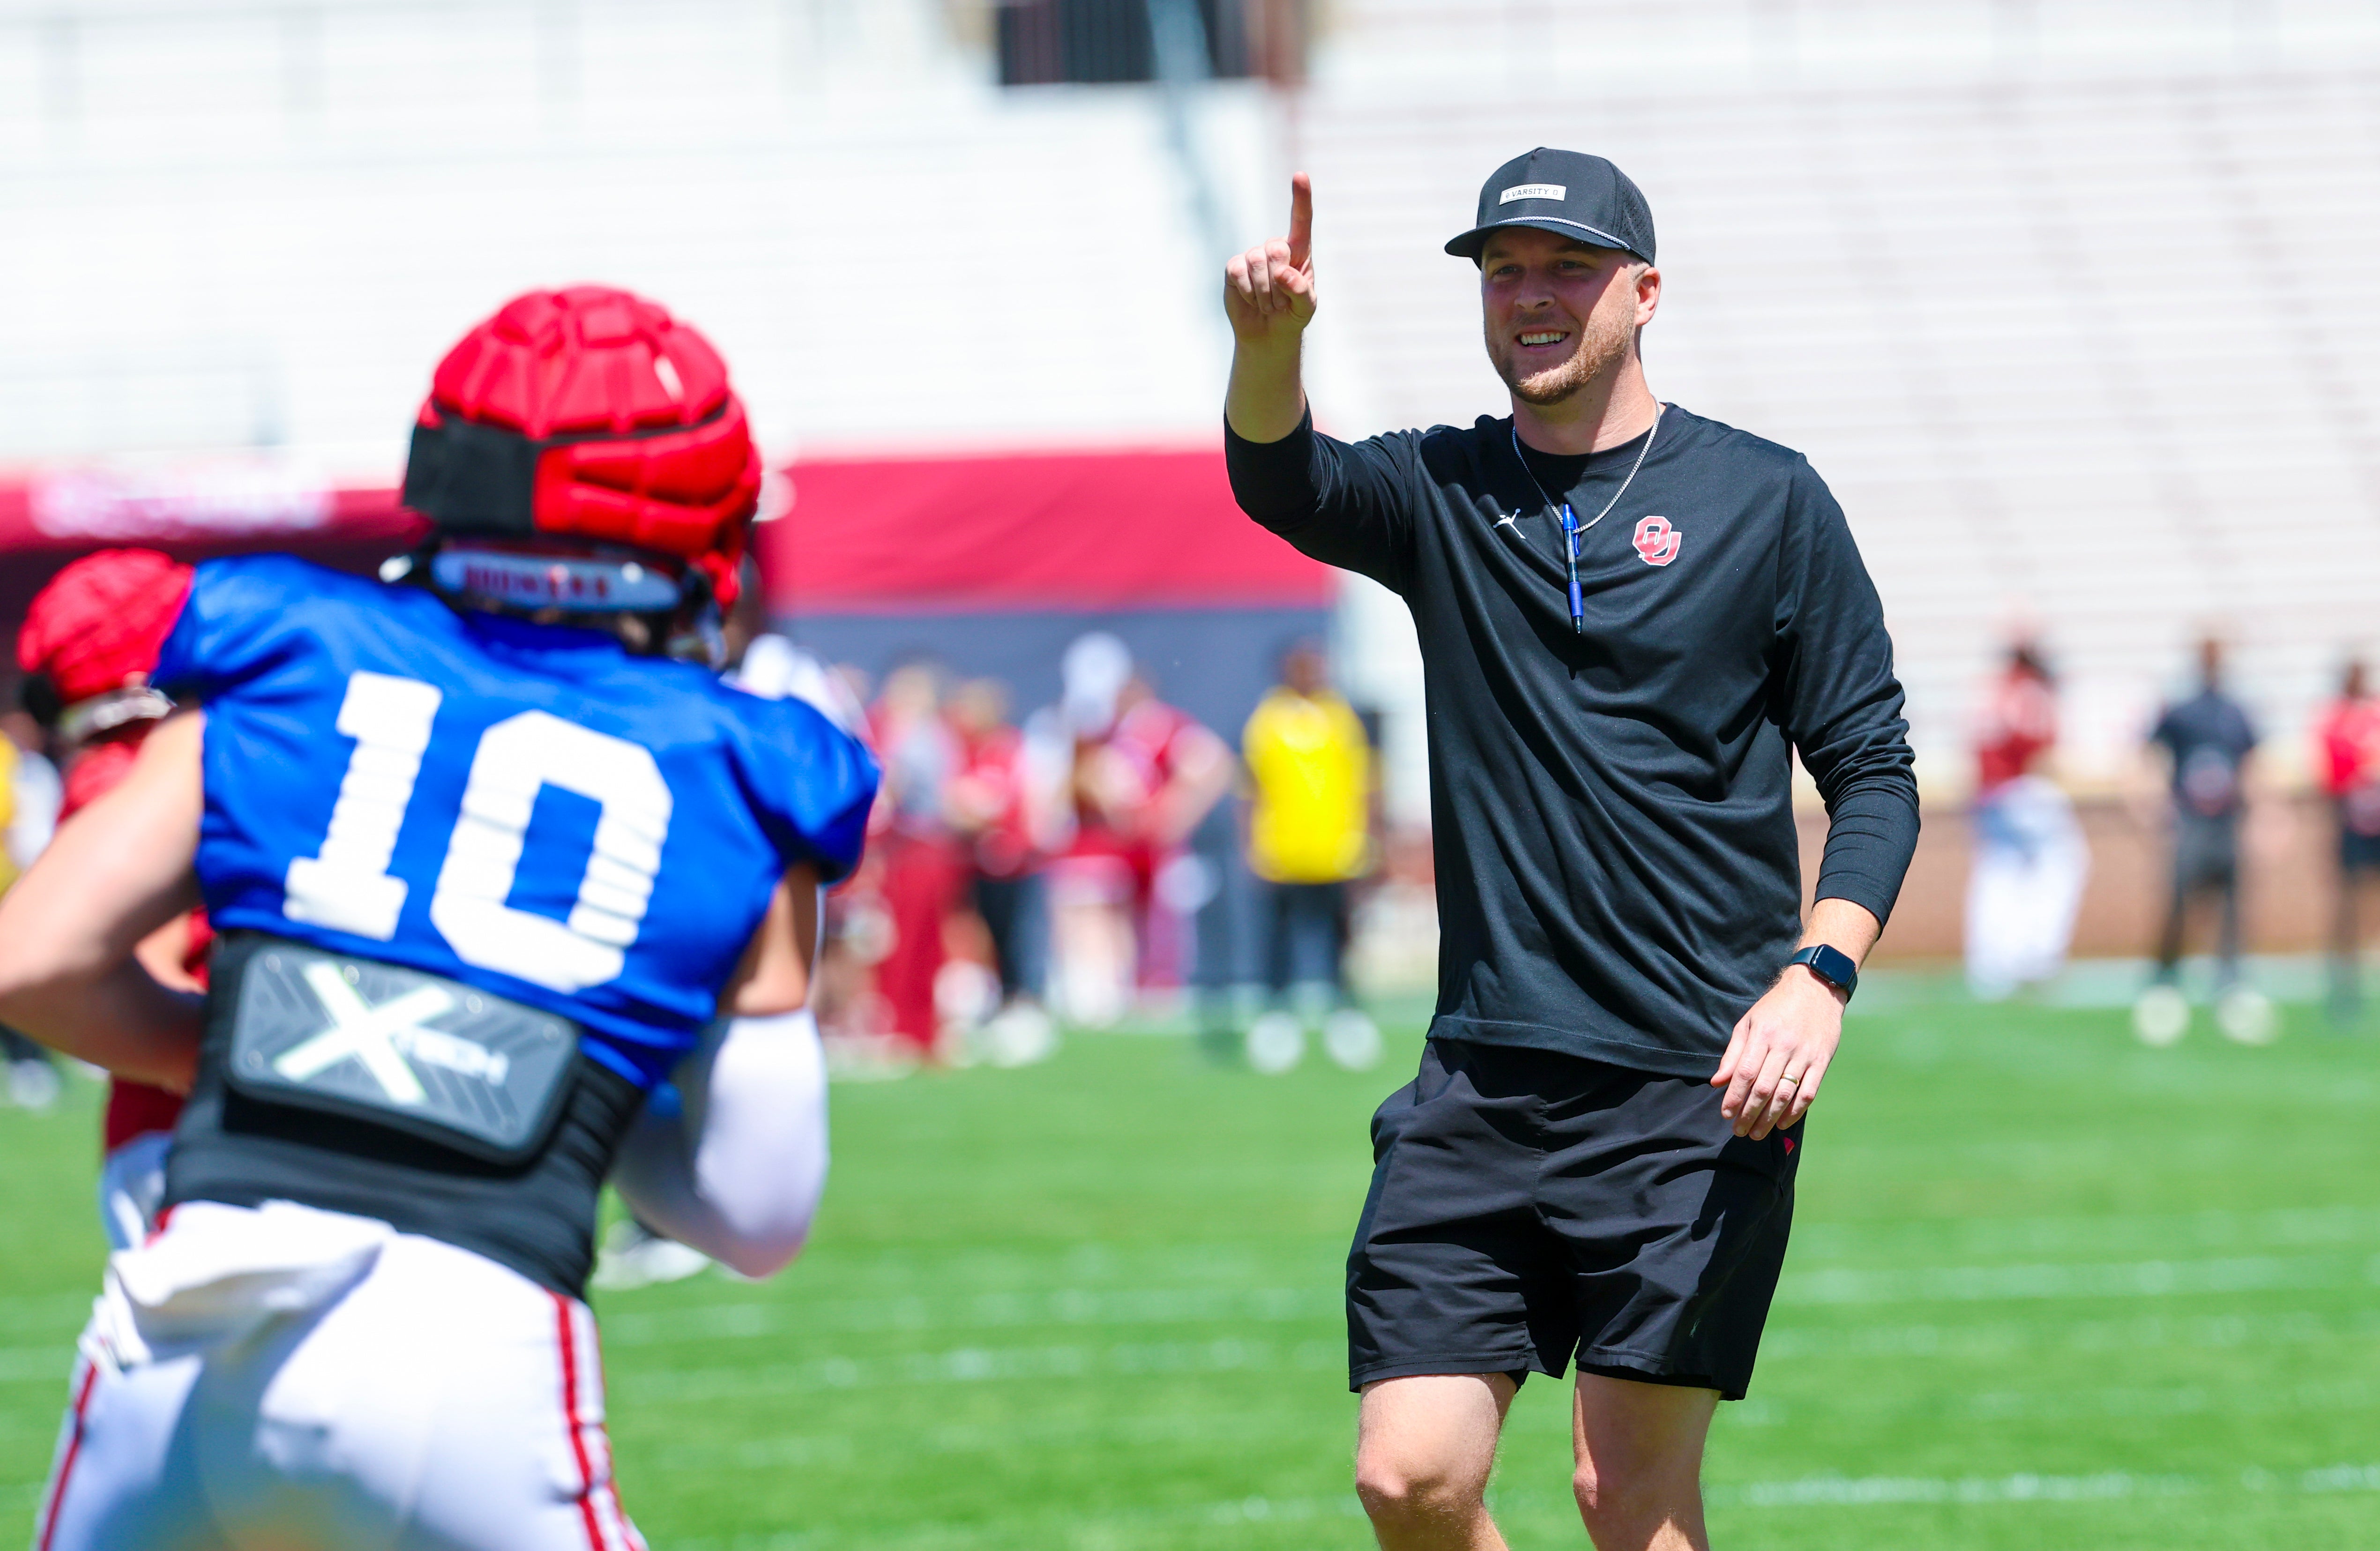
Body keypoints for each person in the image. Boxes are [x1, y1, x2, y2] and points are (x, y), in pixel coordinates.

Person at [0, 285, 878, 1551]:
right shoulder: (748, 762)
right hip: (469, 1344)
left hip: (175, 1336)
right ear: (704, 524)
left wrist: (307, 1046)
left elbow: (33, 958)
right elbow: (756, 1208)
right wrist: (546, 1071)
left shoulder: (286, 649)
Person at [1222, 150, 1918, 1550]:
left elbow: (1872, 769)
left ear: (1643, 292)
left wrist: (1816, 975)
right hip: (1481, 1074)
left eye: (1564, 270)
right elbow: (1281, 481)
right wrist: (1267, 351)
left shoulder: (1767, 500)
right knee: (1407, 1473)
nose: (1529, 298)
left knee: (1626, 1493)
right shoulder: (1443, 487)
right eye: (1502, 273)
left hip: (1692, 1087)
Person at [15, 549, 211, 1238]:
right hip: (205, 1137)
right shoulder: (156, 771)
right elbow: (158, 961)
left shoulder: (122, 773)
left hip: (178, 1138)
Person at [1241, 636, 1381, 1073]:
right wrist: (1251, 844)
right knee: (1277, 938)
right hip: (1282, 852)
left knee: (1341, 938)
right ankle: (1276, 1022)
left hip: (1337, 851)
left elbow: (1366, 783)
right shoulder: (1266, 720)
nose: (1310, 673)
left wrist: (1371, 839)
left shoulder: (1342, 717)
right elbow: (1249, 788)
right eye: (1301, 666)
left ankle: (1346, 1018)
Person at [2134, 636, 2266, 1046]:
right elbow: (2147, 755)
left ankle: (2229, 983)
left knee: (2230, 904)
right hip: (2190, 822)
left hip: (2226, 824)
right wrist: (2150, 807)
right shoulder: (2181, 711)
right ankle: (2165, 981)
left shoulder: (2235, 712)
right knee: (2179, 900)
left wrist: (2265, 816)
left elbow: (2251, 766)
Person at [1962, 640, 2088, 1001]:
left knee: (1998, 873)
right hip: (2020, 791)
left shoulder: (1991, 690)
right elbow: (2039, 752)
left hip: (1989, 794)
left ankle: (1990, 964)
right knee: (2064, 861)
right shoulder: (2027, 690)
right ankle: (2037, 956)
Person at [945, 677, 1058, 1064]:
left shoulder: (1009, 749)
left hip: (1009, 862)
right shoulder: (961, 750)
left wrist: (977, 810)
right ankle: (988, 1000)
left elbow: (1004, 803)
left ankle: (1018, 1001)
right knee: (975, 936)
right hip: (972, 862)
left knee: (1011, 935)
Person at [2314, 658, 2380, 1024]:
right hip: (2351, 824)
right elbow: (2331, 775)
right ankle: (2344, 981)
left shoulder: (2375, 715)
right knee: (2348, 904)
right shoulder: (2334, 720)